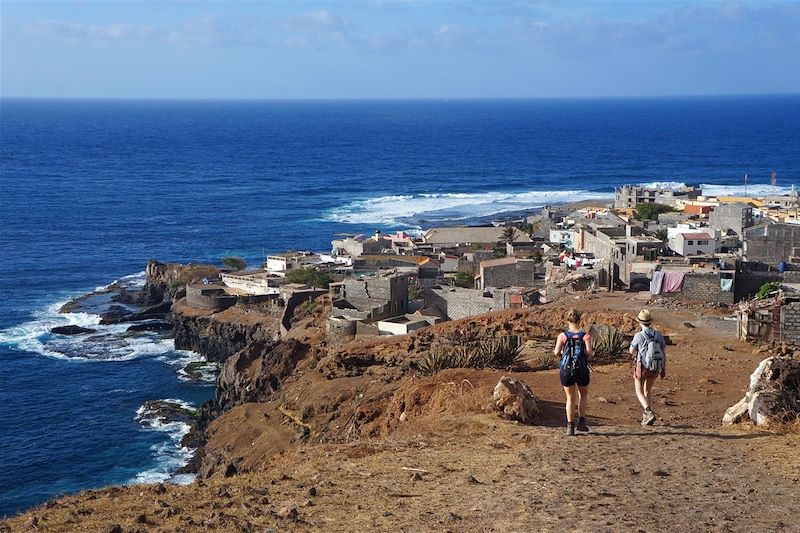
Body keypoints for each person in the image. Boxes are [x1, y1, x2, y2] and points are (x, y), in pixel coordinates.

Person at [553, 308, 592, 436]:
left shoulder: (563, 336)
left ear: (568, 321)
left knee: (570, 397)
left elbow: (556, 352)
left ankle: (570, 426)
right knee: (583, 395)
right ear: (580, 320)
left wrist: (563, 357)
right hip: (581, 369)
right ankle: (581, 422)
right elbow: (589, 353)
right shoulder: (585, 336)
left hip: (566, 369)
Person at [629, 309, 667, 426]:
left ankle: (648, 412)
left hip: (642, 367)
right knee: (647, 390)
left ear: (640, 322)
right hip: (655, 367)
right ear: (650, 322)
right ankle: (646, 418)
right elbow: (664, 353)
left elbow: (631, 351)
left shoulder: (638, 336)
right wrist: (663, 368)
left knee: (638, 391)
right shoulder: (658, 335)